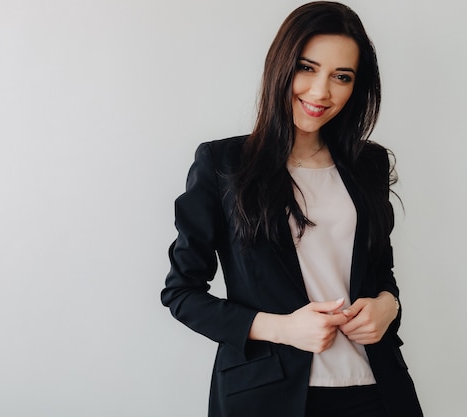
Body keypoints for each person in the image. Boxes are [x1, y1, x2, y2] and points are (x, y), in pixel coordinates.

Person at [161, 2, 423, 416]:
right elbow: (182, 293)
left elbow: (381, 271)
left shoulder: (367, 164)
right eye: (307, 67)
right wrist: (282, 328)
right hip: (267, 396)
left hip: (375, 391)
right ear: (281, 66)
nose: (321, 91)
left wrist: (388, 306)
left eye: (342, 77)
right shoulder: (223, 164)